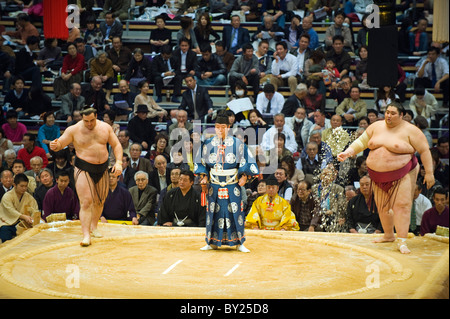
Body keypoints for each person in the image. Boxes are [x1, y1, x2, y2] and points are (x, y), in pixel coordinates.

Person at [338, 102, 435, 254]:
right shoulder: (376, 126)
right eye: (387, 112)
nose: (389, 115)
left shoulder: (411, 131)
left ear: (401, 115)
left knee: (402, 205)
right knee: (383, 207)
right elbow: (362, 142)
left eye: (393, 113)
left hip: (403, 172)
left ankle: (402, 240)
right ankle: (389, 235)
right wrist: (348, 152)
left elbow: (424, 151)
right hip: (377, 175)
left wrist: (429, 173)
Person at [49, 107, 123, 247]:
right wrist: (55, 145)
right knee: (86, 202)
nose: (89, 124)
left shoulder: (105, 128)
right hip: (83, 167)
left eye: (92, 120)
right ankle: (86, 235)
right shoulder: (74, 129)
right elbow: (61, 143)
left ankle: (94, 227)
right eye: (86, 121)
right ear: (82, 118)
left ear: (96, 116)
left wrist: (118, 162)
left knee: (100, 200)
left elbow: (116, 145)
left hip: (102, 167)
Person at [196, 114, 260, 253]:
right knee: (212, 213)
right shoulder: (207, 144)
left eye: (223, 127)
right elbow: (200, 163)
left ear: (229, 127)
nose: (220, 130)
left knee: (235, 213)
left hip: (232, 183)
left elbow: (248, 162)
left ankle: (239, 243)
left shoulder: (238, 144)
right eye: (217, 127)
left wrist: (244, 177)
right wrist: (204, 177)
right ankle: (210, 242)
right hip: (214, 184)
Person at [0, 173, 37, 243]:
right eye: (22, 186)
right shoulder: (7, 196)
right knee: (5, 231)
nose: (24, 188)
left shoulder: (29, 197)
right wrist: (23, 216)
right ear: (14, 185)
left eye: (26, 186)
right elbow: (10, 210)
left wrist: (32, 218)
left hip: (24, 223)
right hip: (8, 223)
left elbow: (34, 209)